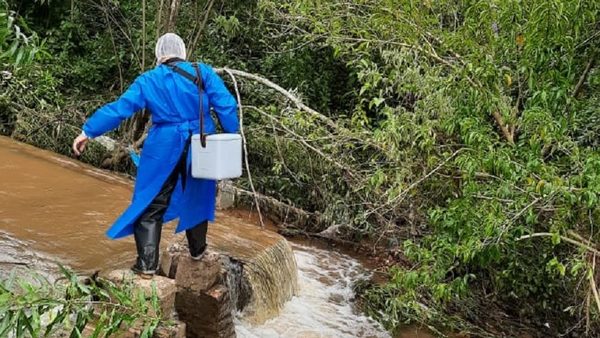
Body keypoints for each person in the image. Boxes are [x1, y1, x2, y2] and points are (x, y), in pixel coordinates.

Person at [72, 33, 239, 278]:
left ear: (159, 55)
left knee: (151, 201)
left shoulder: (148, 79)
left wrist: (88, 131)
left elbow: (120, 109)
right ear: (182, 51)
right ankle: (197, 252)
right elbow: (227, 105)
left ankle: (147, 264)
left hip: (163, 144)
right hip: (201, 143)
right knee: (197, 194)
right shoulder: (202, 72)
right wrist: (231, 134)